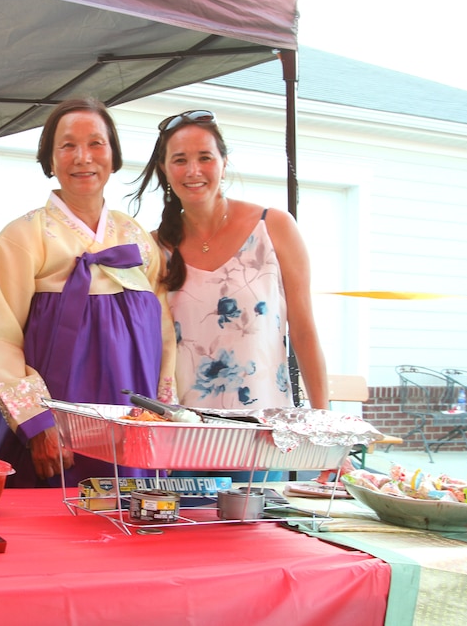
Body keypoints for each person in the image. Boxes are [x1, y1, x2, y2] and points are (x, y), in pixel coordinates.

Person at [0, 97, 176, 488]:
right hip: (58, 432)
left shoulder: (137, 238)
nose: (83, 157)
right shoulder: (22, 237)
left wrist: (163, 414)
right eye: (67, 145)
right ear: (49, 160)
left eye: (96, 144)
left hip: (132, 427)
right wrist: (37, 422)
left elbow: (166, 338)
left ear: (114, 156)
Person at [129, 109, 328, 413]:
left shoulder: (274, 227)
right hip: (185, 436)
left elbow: (304, 332)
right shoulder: (155, 247)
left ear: (224, 162)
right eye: (180, 160)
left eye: (205, 157)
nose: (193, 170)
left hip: (265, 432)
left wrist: (324, 420)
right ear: (165, 169)